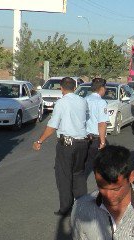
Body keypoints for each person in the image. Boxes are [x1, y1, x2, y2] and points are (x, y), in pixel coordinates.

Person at [33, 77, 89, 216]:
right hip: (82, 143)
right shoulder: (83, 101)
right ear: (75, 88)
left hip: (67, 144)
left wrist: (39, 141)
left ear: (61, 88)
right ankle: (83, 205)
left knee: (64, 176)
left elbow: (52, 125)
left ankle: (66, 207)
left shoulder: (61, 103)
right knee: (79, 174)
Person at [84, 80, 109, 173]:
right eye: (105, 88)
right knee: (102, 167)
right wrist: (102, 142)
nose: (105, 90)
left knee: (85, 164)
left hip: (84, 136)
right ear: (101, 88)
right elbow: (102, 123)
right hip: (96, 138)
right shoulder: (101, 102)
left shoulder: (84, 99)